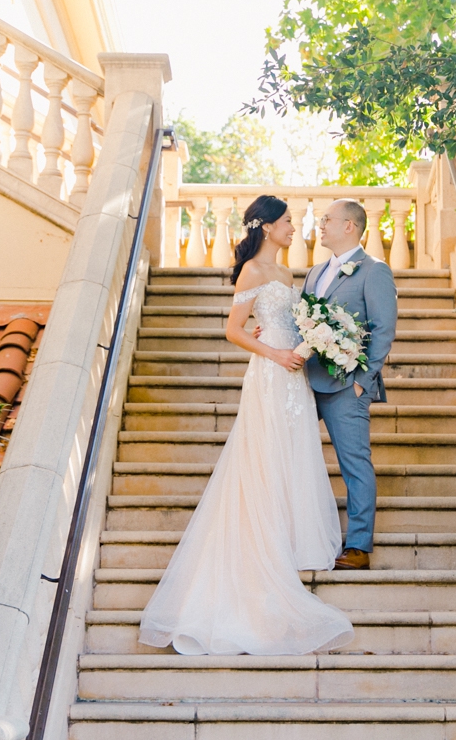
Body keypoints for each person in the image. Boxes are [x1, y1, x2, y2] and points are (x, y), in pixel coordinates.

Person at [137, 195, 353, 655]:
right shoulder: (252, 271)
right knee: (265, 452)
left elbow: (292, 323)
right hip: (271, 372)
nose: (295, 228)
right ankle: (263, 542)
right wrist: (274, 352)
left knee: (293, 451)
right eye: (289, 222)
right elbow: (232, 329)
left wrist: (314, 341)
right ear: (268, 225)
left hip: (296, 375)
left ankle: (293, 537)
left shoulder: (289, 274)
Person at [304, 198, 398, 570]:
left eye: (327, 219)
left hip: (347, 386)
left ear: (350, 227)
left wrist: (362, 381)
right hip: (305, 382)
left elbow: (383, 329)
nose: (320, 224)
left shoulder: (374, 270)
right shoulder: (314, 272)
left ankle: (358, 546)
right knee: (286, 453)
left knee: (354, 463)